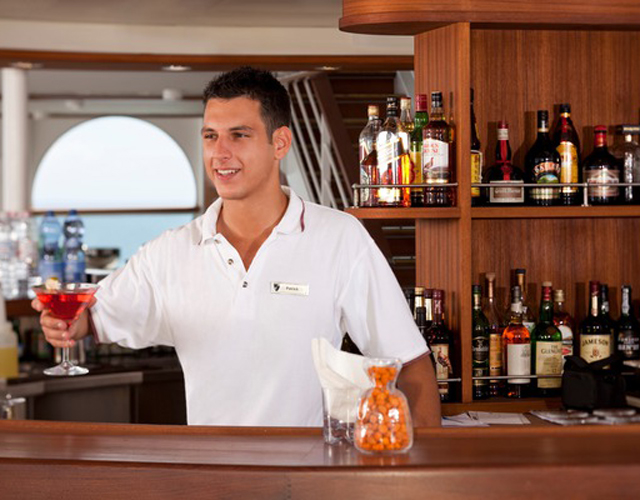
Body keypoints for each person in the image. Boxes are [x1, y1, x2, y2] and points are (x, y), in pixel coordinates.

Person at [32, 67, 441, 427]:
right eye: (210, 136)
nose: (220, 153)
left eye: (239, 135)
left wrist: (425, 469)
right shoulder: (170, 252)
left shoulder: (340, 238)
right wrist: (65, 324)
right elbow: (92, 318)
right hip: (212, 473)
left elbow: (408, 363)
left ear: (280, 143)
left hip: (309, 472)